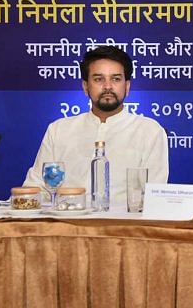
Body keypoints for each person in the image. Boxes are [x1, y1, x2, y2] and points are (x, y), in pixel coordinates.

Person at [24, 46, 169, 206]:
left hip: (125, 227)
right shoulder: (59, 130)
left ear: (127, 87)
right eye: (99, 79)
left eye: (116, 79)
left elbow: (155, 198)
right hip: (66, 225)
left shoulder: (150, 132)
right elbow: (35, 188)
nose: (108, 86)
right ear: (85, 87)